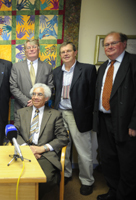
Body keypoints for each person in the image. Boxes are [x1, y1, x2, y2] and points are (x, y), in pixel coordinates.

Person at [93, 32, 136, 200]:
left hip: (125, 123)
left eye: (113, 43)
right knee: (108, 160)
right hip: (104, 120)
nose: (109, 47)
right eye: (106, 44)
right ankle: (114, 191)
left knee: (127, 162)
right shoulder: (104, 67)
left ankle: (125, 196)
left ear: (124, 44)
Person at [53, 42, 96, 195]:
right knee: (64, 147)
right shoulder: (56, 71)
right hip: (60, 113)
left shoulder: (87, 69)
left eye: (69, 51)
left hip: (77, 114)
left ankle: (87, 180)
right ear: (60, 55)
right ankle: (66, 174)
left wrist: (88, 113)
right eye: (63, 52)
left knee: (83, 150)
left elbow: (93, 95)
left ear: (75, 52)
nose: (66, 54)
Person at [14, 83, 69, 199]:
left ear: (46, 98)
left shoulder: (55, 114)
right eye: (33, 94)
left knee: (46, 179)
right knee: (14, 176)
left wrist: (42, 148)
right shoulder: (21, 112)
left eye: (39, 94)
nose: (35, 97)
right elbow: (15, 134)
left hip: (45, 155)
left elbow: (63, 137)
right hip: (24, 151)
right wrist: (27, 149)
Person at [10, 39, 54, 115]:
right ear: (25, 51)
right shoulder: (16, 67)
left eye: (34, 47)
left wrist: (38, 100)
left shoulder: (48, 67)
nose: (31, 50)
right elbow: (13, 87)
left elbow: (50, 87)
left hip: (42, 109)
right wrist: (28, 101)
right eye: (28, 47)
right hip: (22, 108)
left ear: (39, 50)